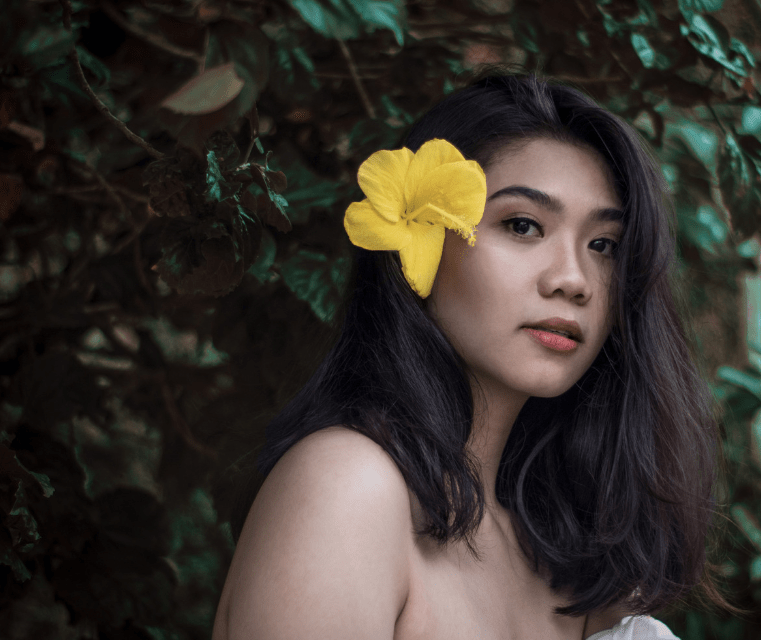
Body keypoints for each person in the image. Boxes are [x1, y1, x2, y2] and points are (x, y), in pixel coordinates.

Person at [212, 72, 725, 639]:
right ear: (418, 239)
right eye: (523, 225)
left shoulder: (563, 556)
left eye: (603, 245)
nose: (574, 280)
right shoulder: (349, 486)